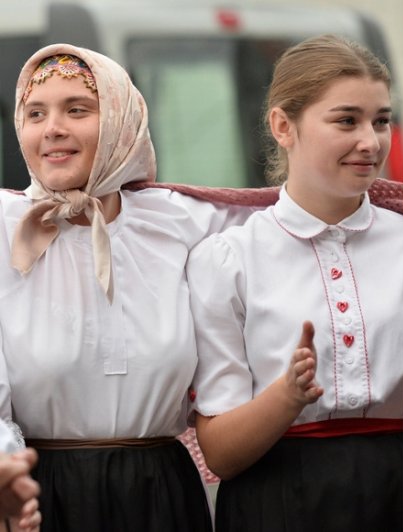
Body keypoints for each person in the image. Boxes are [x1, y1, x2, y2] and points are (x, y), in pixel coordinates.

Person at [0, 43, 273, 531]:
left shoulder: (178, 219)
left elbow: (293, 219)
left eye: (77, 109)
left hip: (161, 493)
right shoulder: (5, 229)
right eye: (35, 113)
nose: (52, 128)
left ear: (122, 122)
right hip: (42, 498)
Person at [186, 35, 403, 531]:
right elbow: (219, 455)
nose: (370, 141)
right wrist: (286, 395)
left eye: (381, 120)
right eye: (346, 120)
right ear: (283, 126)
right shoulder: (227, 260)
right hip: (276, 502)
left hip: (395, 490)